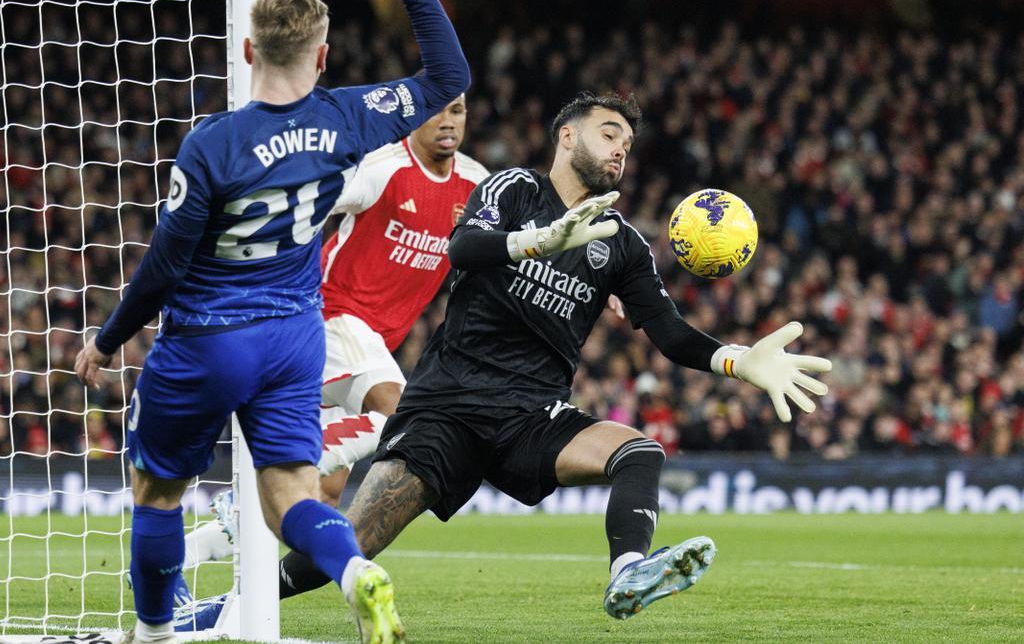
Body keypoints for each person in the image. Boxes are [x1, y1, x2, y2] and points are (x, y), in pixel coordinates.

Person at [271, 91, 833, 620]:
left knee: (639, 452)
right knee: (347, 545)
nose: (619, 149)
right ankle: (228, 604)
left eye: (627, 145)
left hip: (531, 416)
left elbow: (669, 333)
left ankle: (629, 573)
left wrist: (737, 360)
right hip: (447, 407)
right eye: (609, 133)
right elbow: (462, 247)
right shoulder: (512, 189)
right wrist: (540, 241)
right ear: (566, 136)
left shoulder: (621, 243)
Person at [73, 0, 469, 641]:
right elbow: (446, 74)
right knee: (288, 494)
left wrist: (108, 340)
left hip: (208, 336)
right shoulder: (346, 117)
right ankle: (351, 572)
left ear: (250, 53)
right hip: (292, 338)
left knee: (158, 491)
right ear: (321, 56)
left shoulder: (212, 143)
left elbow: (166, 265)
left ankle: (155, 634)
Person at [172, 97, 488, 627]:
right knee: (408, 415)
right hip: (330, 317)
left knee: (320, 494)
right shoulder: (382, 169)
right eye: (438, 110)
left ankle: (176, 563)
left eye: (459, 110)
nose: (450, 120)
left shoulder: (476, 186)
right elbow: (316, 194)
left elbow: (514, 238)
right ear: (416, 116)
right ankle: (247, 489)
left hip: (366, 343)